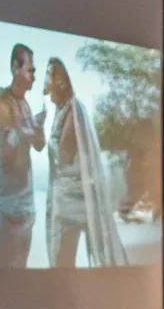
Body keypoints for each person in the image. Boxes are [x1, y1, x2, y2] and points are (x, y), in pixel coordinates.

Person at [44, 57, 127, 267]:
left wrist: (41, 135)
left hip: (73, 198)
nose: (44, 80)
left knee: (64, 257)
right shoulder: (62, 111)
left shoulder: (72, 110)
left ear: (58, 81)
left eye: (48, 74)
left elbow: (64, 155)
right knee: (63, 256)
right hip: (66, 195)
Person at [0, 43, 46, 268]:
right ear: (15, 67)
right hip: (6, 198)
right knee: (3, 266)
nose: (34, 75)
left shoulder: (25, 105)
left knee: (21, 266)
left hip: (25, 197)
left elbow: (40, 145)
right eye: (31, 70)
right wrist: (29, 128)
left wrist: (37, 128)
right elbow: (4, 150)